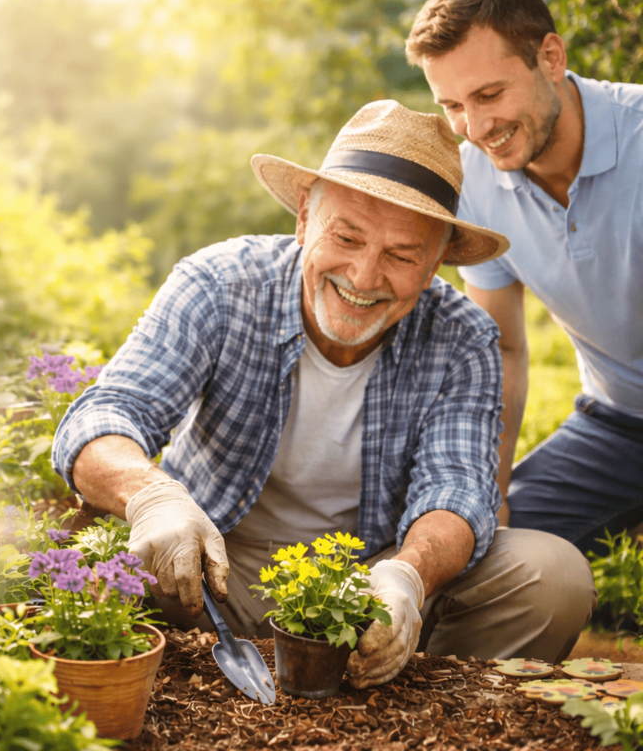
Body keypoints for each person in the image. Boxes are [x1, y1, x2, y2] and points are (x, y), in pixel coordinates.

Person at [52, 100, 595, 686]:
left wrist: (406, 577)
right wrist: (153, 498)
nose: (363, 277)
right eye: (348, 236)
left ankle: (417, 688)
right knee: (91, 563)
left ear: (437, 260)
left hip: (369, 579)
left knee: (553, 576)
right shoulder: (218, 285)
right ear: (305, 217)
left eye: (401, 255)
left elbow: (457, 489)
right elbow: (106, 414)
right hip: (215, 570)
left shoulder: (462, 337)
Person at [406, 0, 643, 556]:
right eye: (454, 105)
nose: (477, 127)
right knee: (491, 557)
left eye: (489, 95)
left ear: (552, 57)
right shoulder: (476, 183)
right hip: (615, 425)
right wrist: (492, 492)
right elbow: (503, 347)